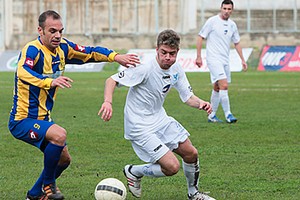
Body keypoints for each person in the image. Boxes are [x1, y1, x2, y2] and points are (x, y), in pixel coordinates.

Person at [8, 10, 139, 200]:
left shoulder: (63, 48)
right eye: (52, 31)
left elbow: (89, 52)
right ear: (40, 30)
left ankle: (34, 195)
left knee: (64, 159)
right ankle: (48, 186)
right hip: (22, 120)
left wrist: (115, 56)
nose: (58, 35)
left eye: (60, 31)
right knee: (59, 134)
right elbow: (22, 72)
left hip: (44, 118)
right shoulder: (33, 50)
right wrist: (49, 82)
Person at [98, 29, 215, 200]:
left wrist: (201, 103)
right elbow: (111, 80)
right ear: (157, 50)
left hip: (160, 119)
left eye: (172, 54)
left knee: (191, 153)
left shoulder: (176, 69)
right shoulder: (144, 68)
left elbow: (188, 97)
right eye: (164, 53)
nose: (168, 57)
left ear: (177, 52)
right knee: (171, 167)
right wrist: (108, 102)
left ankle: (194, 193)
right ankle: (134, 171)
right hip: (139, 125)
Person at [196, 0, 247, 123]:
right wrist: (198, 56)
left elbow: (237, 43)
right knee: (224, 85)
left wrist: (242, 59)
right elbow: (200, 37)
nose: (226, 11)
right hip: (213, 59)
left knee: (217, 87)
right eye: (225, 8)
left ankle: (211, 115)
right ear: (221, 8)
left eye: (229, 9)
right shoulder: (212, 21)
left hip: (225, 60)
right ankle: (228, 114)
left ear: (232, 10)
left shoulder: (232, 25)